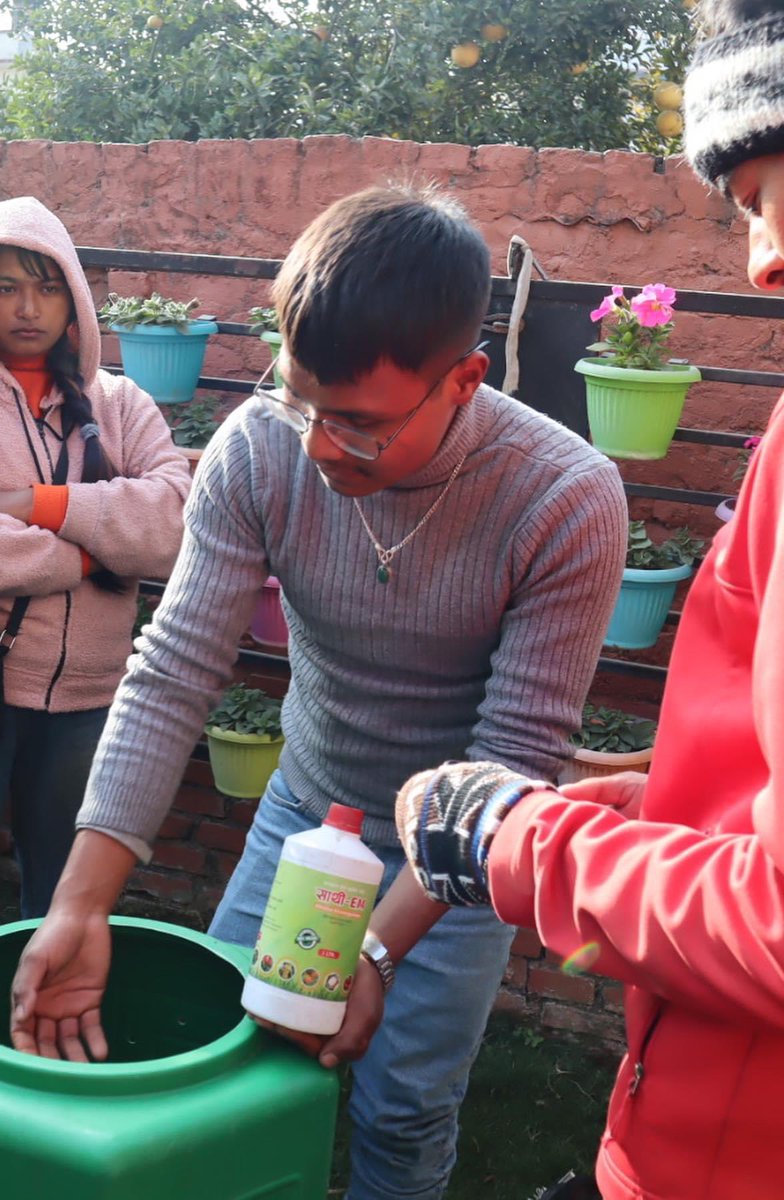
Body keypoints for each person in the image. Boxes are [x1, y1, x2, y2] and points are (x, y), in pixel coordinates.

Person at [9, 183, 628, 1200]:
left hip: (465, 859)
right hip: (308, 814)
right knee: (228, 1065)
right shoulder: (260, 448)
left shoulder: (562, 497)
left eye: (360, 424)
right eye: (303, 401)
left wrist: (377, 957)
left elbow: (507, 765)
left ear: (465, 380)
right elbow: (172, 673)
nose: (320, 447)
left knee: (403, 1105)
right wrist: (81, 903)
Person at [386, 4, 784, 1197]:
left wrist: (523, 840)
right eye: (751, 207)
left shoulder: (563, 490)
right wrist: (664, 803)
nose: (765, 256)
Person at [0, 195, 191, 955]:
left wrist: (35, 503)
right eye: (6, 285)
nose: (28, 307)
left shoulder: (121, 404)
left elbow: (177, 528)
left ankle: (36, 1063)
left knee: (63, 919)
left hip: (88, 705)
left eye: (48, 287)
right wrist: (94, 552)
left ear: (75, 296)